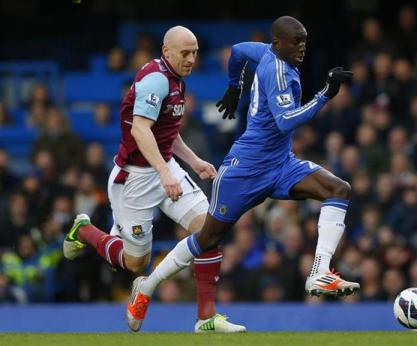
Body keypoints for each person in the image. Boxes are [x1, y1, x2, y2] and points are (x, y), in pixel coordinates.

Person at [127, 16, 361, 331]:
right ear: (279, 43)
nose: (302, 47)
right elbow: (286, 121)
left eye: (304, 41)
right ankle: (148, 285)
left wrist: (235, 87)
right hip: (245, 170)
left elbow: (237, 51)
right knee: (207, 238)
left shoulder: (264, 51)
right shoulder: (275, 70)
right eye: (296, 42)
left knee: (338, 189)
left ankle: (320, 271)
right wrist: (324, 96)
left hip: (281, 164)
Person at [63, 26, 245, 333]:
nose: (191, 59)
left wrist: (194, 161)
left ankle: (206, 318)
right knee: (135, 263)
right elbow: (140, 130)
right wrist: (163, 173)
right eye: (185, 53)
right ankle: (85, 231)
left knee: (209, 229)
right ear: (166, 51)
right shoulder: (156, 80)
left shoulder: (177, 81)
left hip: (165, 167)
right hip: (134, 179)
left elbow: (165, 135)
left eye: (195, 53)